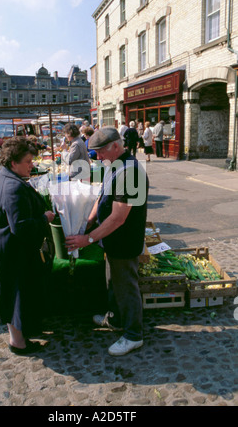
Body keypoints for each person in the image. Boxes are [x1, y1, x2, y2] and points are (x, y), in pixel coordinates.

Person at [66, 127, 148, 356]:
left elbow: (118, 217)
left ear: (116, 145)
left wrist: (88, 238)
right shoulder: (114, 166)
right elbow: (102, 197)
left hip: (124, 241)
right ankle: (116, 319)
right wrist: (89, 220)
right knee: (113, 283)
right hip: (111, 240)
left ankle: (133, 335)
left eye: (100, 152)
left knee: (126, 287)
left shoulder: (131, 172)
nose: (97, 157)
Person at [0, 137, 55, 356]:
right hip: (9, 252)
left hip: (5, 247)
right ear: (14, 163)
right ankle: (18, 343)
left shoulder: (5, 177)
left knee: (15, 294)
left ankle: (21, 332)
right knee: (14, 295)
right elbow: (20, 227)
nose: (32, 165)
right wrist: (45, 218)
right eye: (28, 161)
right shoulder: (12, 186)